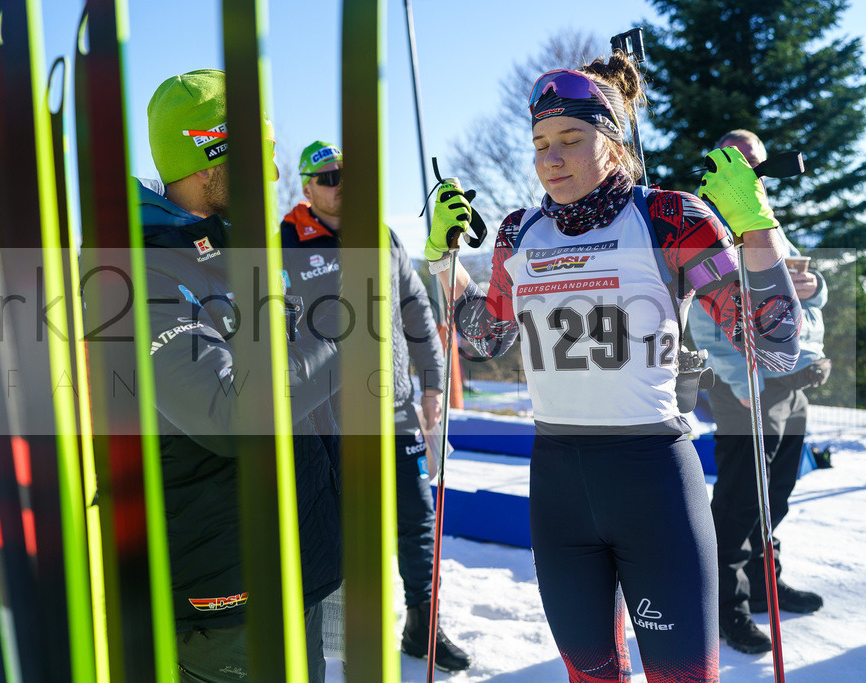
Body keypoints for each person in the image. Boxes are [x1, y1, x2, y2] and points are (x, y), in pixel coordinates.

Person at [423, 54, 802, 682]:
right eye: (541, 143)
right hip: (559, 486)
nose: (552, 158)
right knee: (590, 674)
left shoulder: (671, 219)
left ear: (613, 139)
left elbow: (775, 347)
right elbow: (487, 337)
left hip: (653, 480)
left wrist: (758, 227)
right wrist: (443, 258)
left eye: (572, 139)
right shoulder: (521, 233)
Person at [138, 69, 342, 682]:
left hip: (291, 566)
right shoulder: (142, 270)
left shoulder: (232, 251)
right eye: (262, 156)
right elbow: (232, 414)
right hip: (226, 600)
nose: (274, 176)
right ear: (209, 156)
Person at [279, 141, 471, 672]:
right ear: (307, 187)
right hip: (327, 421)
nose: (342, 184)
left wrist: (433, 385)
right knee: (333, 532)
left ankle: (422, 627)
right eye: (329, 177)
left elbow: (417, 312)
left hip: (395, 408)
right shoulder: (283, 243)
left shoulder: (382, 236)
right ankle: (329, 640)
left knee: (416, 522)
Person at [689, 129, 830, 655]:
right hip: (747, 387)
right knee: (741, 500)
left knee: (778, 495)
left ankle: (765, 582)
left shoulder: (762, 217)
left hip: (794, 381)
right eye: (747, 163)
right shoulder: (712, 222)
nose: (759, 173)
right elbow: (705, 315)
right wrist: (734, 376)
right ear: (725, 163)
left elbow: (797, 298)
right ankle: (730, 607)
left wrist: (817, 288)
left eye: (761, 164)